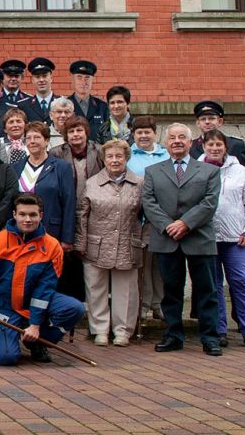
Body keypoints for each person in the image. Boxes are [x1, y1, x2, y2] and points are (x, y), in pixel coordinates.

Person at [0, 193, 85, 365]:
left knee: (74, 308)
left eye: (33, 215)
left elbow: (44, 289)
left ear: (41, 216)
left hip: (33, 303)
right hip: (3, 307)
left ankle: (36, 341)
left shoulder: (52, 246)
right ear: (14, 214)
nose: (27, 219)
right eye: (22, 214)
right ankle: (7, 337)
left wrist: (35, 325)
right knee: (6, 357)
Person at [141, 123, 223, 356]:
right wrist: (168, 225)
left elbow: (209, 202)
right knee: (171, 291)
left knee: (206, 291)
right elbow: (149, 202)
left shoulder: (209, 171)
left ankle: (210, 338)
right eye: (172, 137)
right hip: (166, 239)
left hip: (199, 238)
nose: (177, 141)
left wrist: (185, 223)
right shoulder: (153, 171)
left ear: (190, 142)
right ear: (165, 143)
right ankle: (173, 335)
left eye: (181, 137)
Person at [199, 130, 245, 350]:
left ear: (225, 147)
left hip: (236, 238)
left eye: (218, 144)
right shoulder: (196, 169)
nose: (215, 148)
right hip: (207, 238)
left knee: (241, 281)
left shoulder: (240, 171)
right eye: (210, 145)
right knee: (213, 286)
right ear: (203, 147)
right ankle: (218, 330)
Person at [75, 139, 144, 347]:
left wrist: (143, 240)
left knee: (126, 290)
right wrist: (81, 243)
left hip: (127, 244)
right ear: (104, 160)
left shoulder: (139, 183)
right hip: (96, 243)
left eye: (119, 156)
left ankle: (122, 331)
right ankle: (100, 330)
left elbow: (147, 214)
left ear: (126, 158)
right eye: (110, 156)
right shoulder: (92, 183)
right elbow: (81, 215)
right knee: (96, 288)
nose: (114, 160)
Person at [49, 115, 104, 300]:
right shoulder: (56, 153)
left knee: (88, 254)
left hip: (94, 210)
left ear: (86, 132)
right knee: (68, 253)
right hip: (67, 209)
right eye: (71, 131)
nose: (75, 134)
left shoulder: (99, 151)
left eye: (79, 130)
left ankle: (88, 298)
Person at [11, 122, 76, 275]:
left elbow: (69, 202)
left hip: (51, 231)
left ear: (47, 141)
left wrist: (67, 237)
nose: (32, 141)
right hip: (22, 231)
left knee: (47, 275)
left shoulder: (61, 167)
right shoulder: (16, 167)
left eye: (37, 137)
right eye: (28, 138)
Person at [127, 115, 167, 321]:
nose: (143, 136)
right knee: (142, 263)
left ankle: (159, 303)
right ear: (133, 134)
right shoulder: (128, 155)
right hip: (137, 218)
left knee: (160, 264)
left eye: (147, 132)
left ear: (155, 133)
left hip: (162, 217)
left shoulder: (166, 154)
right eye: (139, 132)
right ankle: (144, 302)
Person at [189, 101, 245, 169]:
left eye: (211, 118)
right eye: (203, 119)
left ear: (220, 121)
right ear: (198, 123)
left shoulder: (235, 145)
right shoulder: (190, 147)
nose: (207, 122)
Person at [68, 60, 108, 139]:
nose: (83, 82)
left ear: (92, 80)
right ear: (72, 80)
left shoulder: (102, 107)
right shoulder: (65, 105)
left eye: (87, 78)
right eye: (79, 77)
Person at [19, 57, 57, 124]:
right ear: (32, 80)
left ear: (51, 78)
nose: (41, 80)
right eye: (37, 77)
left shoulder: (61, 103)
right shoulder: (23, 106)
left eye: (44, 76)